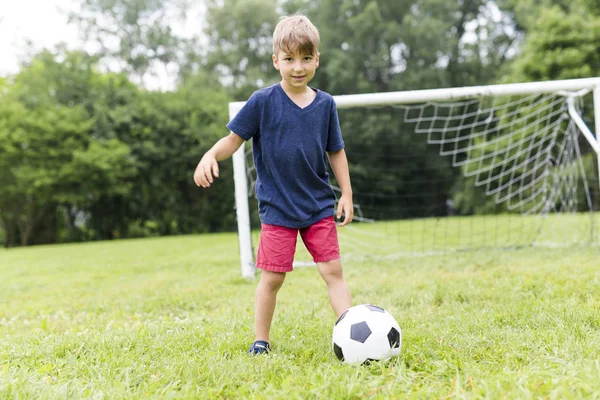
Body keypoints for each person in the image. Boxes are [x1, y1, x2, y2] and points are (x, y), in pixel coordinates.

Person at [193, 14, 353, 355]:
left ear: (317, 60)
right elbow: (233, 140)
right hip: (278, 208)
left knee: (332, 271)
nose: (298, 67)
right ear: (275, 60)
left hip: (318, 206)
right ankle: (261, 341)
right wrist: (210, 154)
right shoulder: (262, 102)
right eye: (290, 58)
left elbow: (336, 151)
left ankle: (351, 333)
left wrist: (347, 194)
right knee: (273, 278)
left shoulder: (325, 104)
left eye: (306, 58)